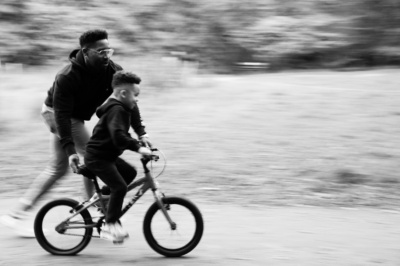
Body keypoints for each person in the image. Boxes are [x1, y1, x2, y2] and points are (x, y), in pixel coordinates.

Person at [0, 29, 152, 237]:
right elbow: (62, 116)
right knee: (92, 154)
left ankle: (18, 214)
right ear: (86, 52)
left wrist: (141, 132)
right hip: (57, 114)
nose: (107, 56)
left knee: (60, 168)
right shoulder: (67, 75)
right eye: (101, 52)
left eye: (109, 51)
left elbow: (129, 103)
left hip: (76, 117)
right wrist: (70, 149)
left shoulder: (112, 71)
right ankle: (97, 209)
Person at [82, 70, 151, 243]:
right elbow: (118, 136)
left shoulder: (123, 106)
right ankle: (109, 224)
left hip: (107, 156)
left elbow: (134, 117)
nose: (137, 99)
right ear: (123, 93)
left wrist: (143, 138)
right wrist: (138, 148)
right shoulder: (117, 110)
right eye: (135, 95)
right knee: (119, 187)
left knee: (129, 173)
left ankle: (102, 201)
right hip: (97, 157)